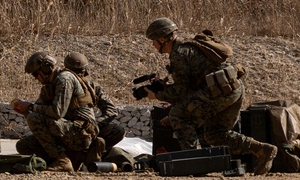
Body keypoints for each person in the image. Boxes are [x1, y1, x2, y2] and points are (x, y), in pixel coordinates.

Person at [143, 17, 277, 175]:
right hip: (233, 90)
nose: (153, 45)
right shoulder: (189, 48)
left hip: (219, 92)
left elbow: (181, 92)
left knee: (178, 115)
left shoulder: (179, 55)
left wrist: (157, 95)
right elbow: (190, 90)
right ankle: (262, 150)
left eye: (154, 41)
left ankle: (196, 164)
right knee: (215, 134)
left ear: (163, 38)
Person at [12, 51, 100, 173]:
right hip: (66, 130)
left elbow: (57, 112)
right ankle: (67, 159)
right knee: (24, 146)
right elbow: (39, 111)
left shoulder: (65, 79)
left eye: (36, 74)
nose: (36, 78)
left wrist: (31, 107)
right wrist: (26, 111)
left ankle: (63, 161)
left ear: (46, 68)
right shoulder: (48, 86)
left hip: (81, 134)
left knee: (33, 118)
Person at [63, 51, 126, 154]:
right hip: (67, 130)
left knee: (117, 130)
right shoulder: (62, 86)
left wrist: (94, 125)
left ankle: (93, 150)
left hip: (87, 130)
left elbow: (111, 110)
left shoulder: (92, 87)